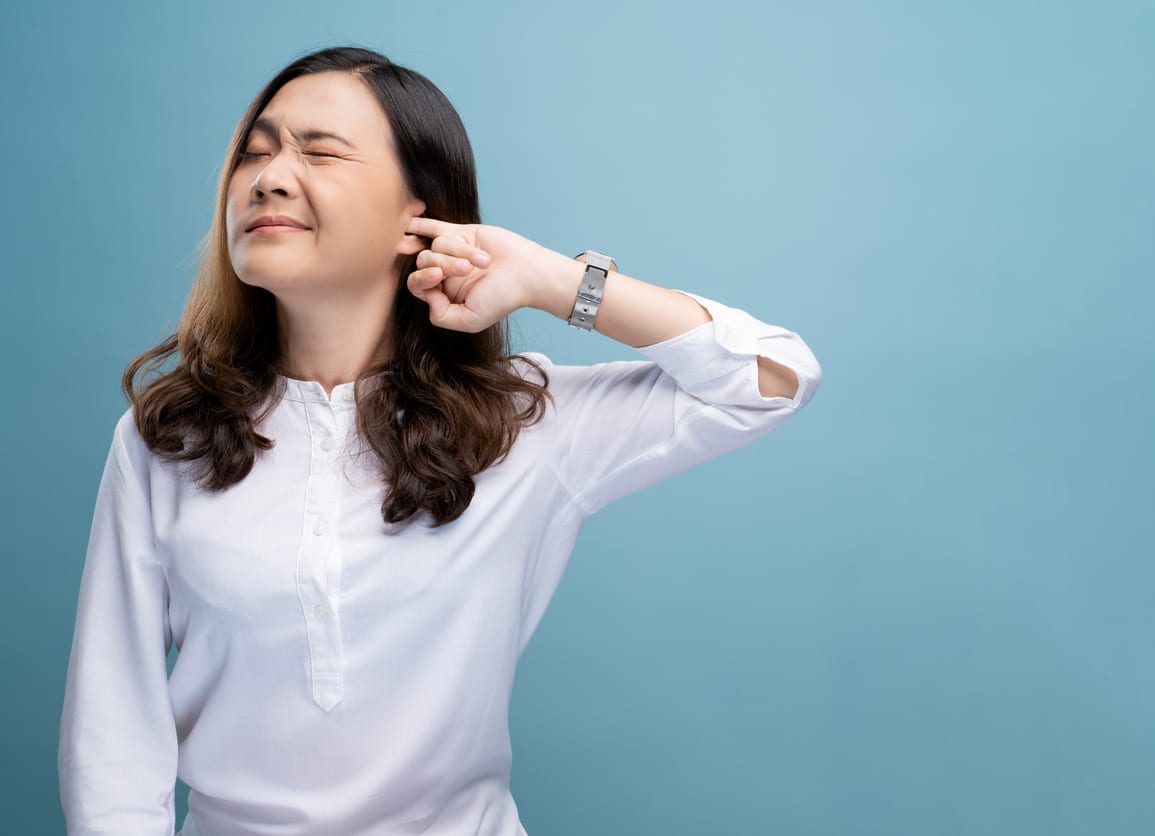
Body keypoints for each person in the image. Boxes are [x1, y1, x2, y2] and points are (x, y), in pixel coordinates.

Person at [56, 45, 821, 836]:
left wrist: (554, 280)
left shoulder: (524, 423)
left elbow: (774, 378)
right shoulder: (166, 438)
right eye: (255, 152)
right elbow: (112, 739)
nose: (269, 176)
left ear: (415, 214)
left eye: (319, 151)